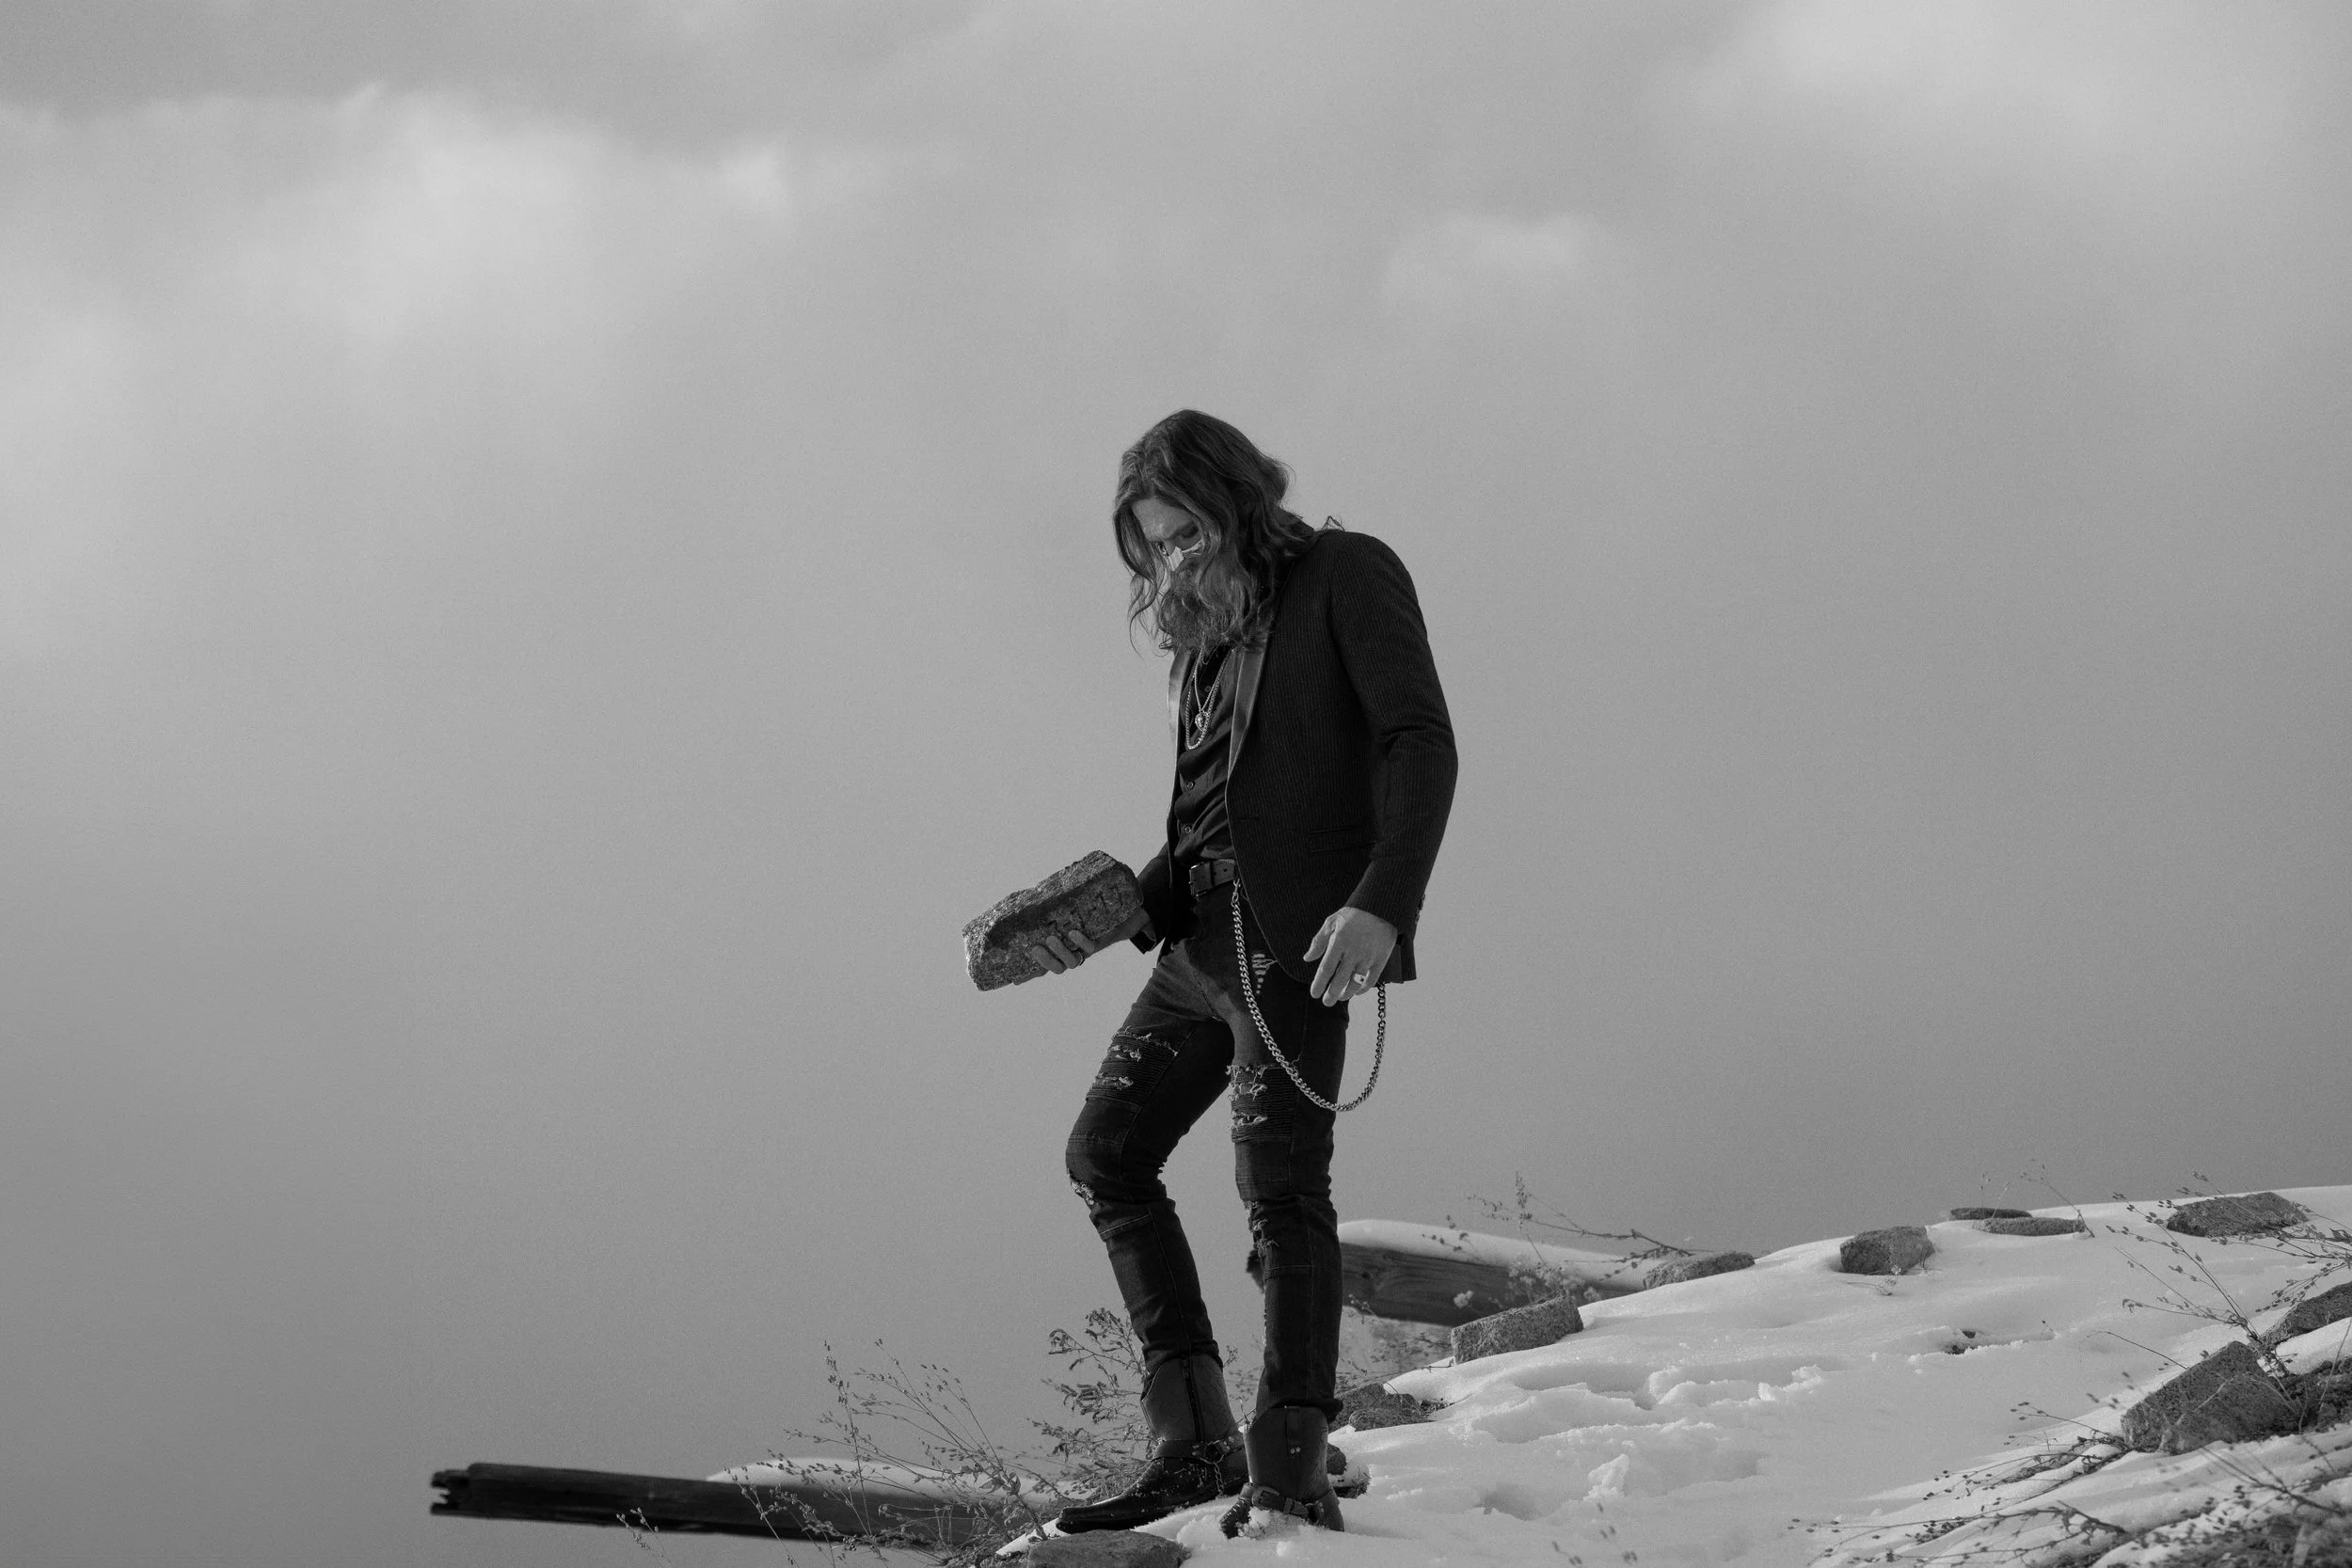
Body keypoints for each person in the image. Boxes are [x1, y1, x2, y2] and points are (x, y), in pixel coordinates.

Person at [1019, 410, 1456, 1536]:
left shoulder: (1345, 571)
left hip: (1298, 936)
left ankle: (1292, 1457)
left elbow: (1419, 740)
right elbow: (1225, 806)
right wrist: (1119, 907)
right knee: (1105, 1152)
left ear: (1232, 498)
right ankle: (1193, 1443)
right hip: (1199, 939)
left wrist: (1381, 903)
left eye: (1181, 532)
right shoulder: (1211, 626)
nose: (1171, 558)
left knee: (1278, 1192)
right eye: (1153, 546)